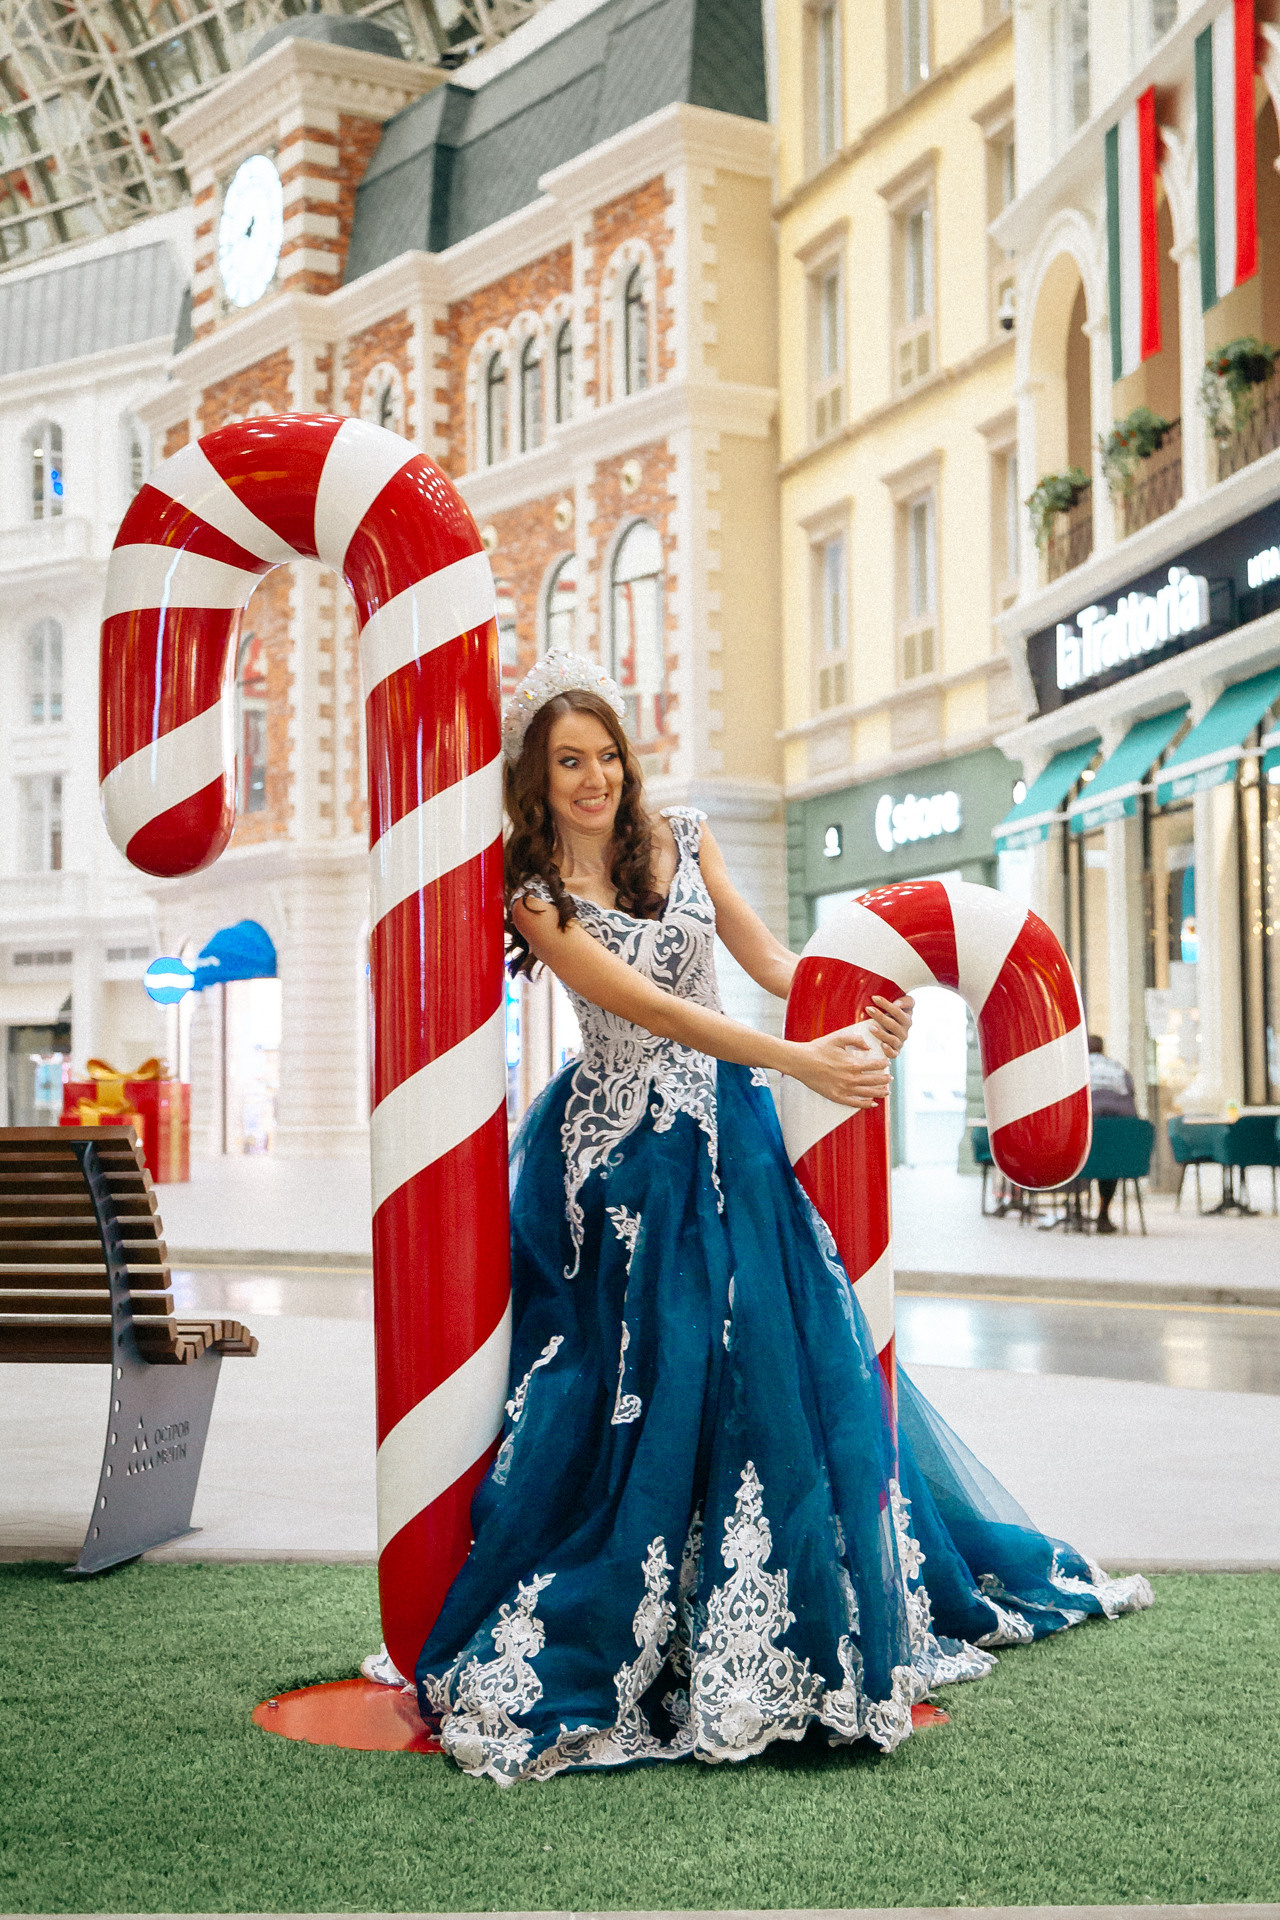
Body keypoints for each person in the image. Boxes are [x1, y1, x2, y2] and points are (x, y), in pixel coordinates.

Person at [408, 652, 1151, 1785]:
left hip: (732, 1133)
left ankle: (784, 1607)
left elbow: (766, 963)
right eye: (569, 762)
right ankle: (658, 1618)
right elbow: (652, 1010)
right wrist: (801, 1054)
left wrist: (859, 1003)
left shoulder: (685, 836)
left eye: (606, 754)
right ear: (534, 778)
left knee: (775, 1353)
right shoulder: (535, 897)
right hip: (624, 1162)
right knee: (657, 1368)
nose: (595, 777)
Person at [1087, 1034, 1139, 1234]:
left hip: (1089, 1143)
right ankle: (1103, 1213)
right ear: (1103, 1050)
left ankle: (1074, 1210)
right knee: (1109, 1162)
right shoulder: (1119, 1070)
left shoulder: (1078, 1070)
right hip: (1120, 1144)